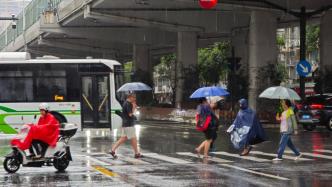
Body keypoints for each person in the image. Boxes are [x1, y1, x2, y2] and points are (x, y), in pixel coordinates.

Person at [109, 93, 142, 159]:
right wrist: (134, 108)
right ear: (130, 97)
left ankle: (113, 150)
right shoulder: (128, 104)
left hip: (126, 124)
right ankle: (136, 153)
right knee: (134, 139)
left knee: (123, 138)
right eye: (134, 97)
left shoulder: (126, 103)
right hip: (129, 124)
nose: (135, 99)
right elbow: (130, 114)